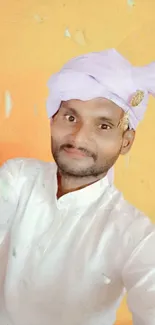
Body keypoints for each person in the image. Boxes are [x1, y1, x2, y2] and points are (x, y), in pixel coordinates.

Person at [0, 49, 155, 325]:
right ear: (52, 120)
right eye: (70, 118)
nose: (79, 137)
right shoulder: (18, 177)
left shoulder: (135, 234)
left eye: (104, 125)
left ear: (126, 141)